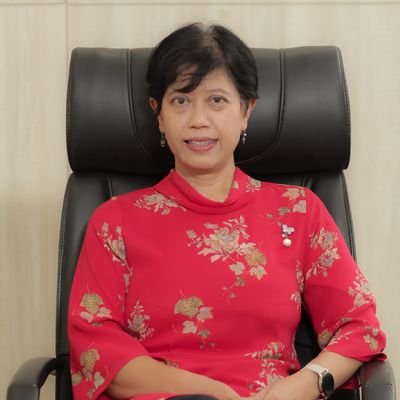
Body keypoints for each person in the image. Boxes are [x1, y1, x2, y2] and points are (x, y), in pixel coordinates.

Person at [68, 22, 386, 400]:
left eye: (216, 100)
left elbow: (359, 327)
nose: (198, 119)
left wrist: (305, 383)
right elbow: (97, 348)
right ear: (159, 114)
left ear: (246, 110)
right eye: (180, 101)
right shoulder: (115, 221)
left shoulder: (298, 211)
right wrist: (213, 393)